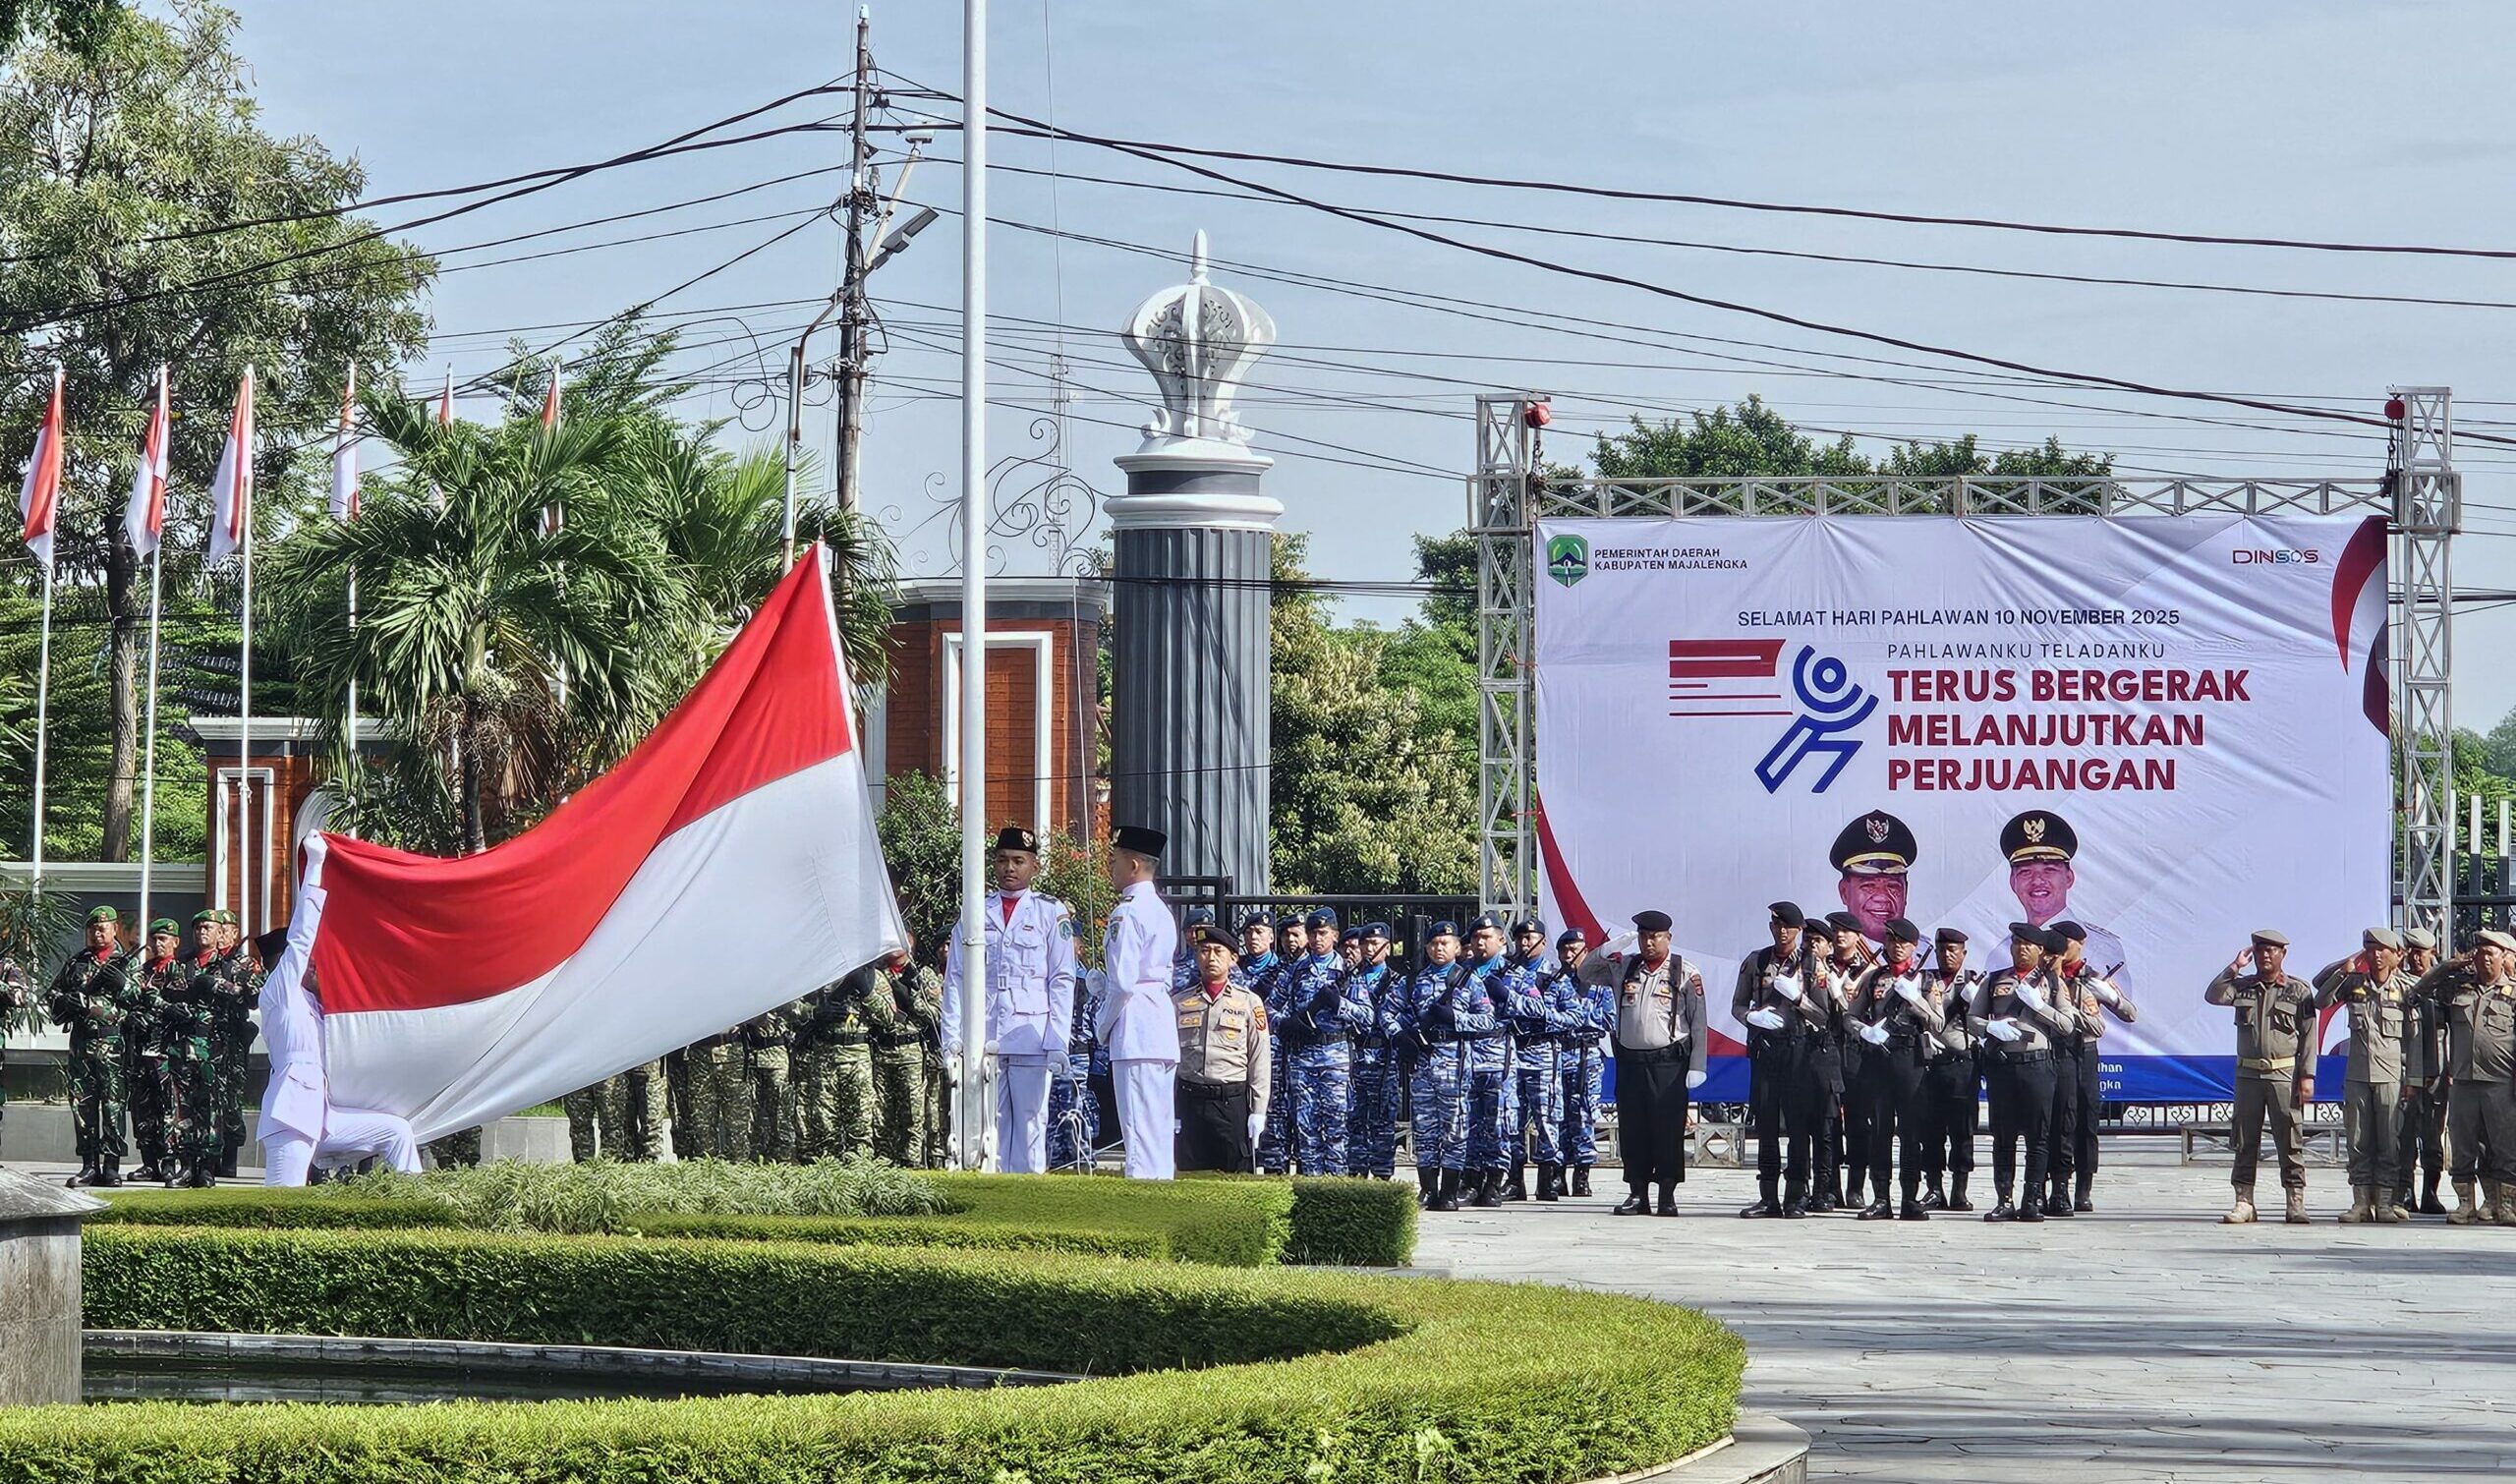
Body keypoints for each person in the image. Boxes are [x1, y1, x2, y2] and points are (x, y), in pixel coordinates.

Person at [942, 826, 1079, 1174]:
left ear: (1035, 866)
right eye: (1002, 860)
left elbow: (1062, 978)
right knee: (990, 1124)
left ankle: (1030, 1191)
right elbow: (956, 977)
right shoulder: (976, 909)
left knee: (1032, 1123)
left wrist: (1057, 1040)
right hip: (985, 1033)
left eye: (1019, 860)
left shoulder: (1050, 912)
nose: (1009, 868)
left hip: (1032, 1034)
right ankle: (997, 1192)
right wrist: (952, 1036)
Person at [2204, 930, 2317, 1225]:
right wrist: (2234, 968)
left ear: (2283, 954)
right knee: (2245, 1139)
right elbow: (2213, 995)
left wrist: (2307, 1075)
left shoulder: (2298, 990)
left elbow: (2309, 1036)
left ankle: (2295, 1201)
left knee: (2290, 1139)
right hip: (2249, 1074)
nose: (2265, 955)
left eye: (2272, 950)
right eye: (2260, 950)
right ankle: (2244, 1201)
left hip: (2283, 1074)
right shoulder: (2243, 987)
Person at [1970, 924, 2078, 1222]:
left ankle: (2032, 1199)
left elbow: (2067, 1025)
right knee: (2003, 1137)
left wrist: (2039, 1006)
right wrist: (1990, 1027)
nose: (2021, 949)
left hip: (2037, 1065)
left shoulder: (2052, 982)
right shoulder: (1995, 980)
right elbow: (1973, 1019)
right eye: (2016, 943)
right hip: (2003, 1065)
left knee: (2038, 1137)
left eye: (2028, 944)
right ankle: (2004, 1199)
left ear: (2040, 950)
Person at [1611, 909, 1707, 1217]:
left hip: (1668, 1063)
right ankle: (1637, 1193)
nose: (1648, 942)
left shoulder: (1683, 971)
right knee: (1633, 1129)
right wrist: (1605, 950)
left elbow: (1698, 1022)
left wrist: (1698, 1064)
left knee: (1667, 1129)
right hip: (1631, 1062)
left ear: (1668, 938)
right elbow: (1586, 972)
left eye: (1654, 937)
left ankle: (1667, 1193)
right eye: (1643, 936)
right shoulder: (1626, 967)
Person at [1096, 825, 1179, 1179]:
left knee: (1139, 1136)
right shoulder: (1160, 909)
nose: (1110, 868)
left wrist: (1102, 1026)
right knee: (1158, 1133)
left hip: (1135, 1029)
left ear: (1133, 865)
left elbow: (1122, 983)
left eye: (1114, 860)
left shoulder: (1127, 912)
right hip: (1158, 1022)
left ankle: (1145, 1201)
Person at [1846, 918, 1943, 1221]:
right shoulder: (1874, 978)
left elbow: (1938, 1023)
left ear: (1913, 947)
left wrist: (1916, 1000)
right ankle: (1881, 1198)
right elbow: (1850, 1017)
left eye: (1903, 942)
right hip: (1879, 1059)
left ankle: (1910, 1198)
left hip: (1911, 1059)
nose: (1896, 946)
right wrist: (1865, 1031)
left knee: (1911, 1132)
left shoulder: (1926, 981)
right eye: (1891, 940)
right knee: (1880, 1131)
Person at [2313, 927, 2412, 1224]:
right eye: (2370, 949)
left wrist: (2414, 1078)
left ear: (2396, 955)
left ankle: (2385, 1202)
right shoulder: (2353, 983)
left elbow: (2416, 1035)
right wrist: (2342, 971)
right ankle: (2360, 1203)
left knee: (2388, 1141)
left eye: (2382, 949)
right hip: (2357, 1074)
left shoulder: (2406, 988)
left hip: (2391, 1075)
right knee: (2357, 1141)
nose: (2376, 955)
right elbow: (2320, 998)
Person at [1734, 902, 1818, 1218]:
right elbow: (1738, 1005)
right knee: (1766, 1124)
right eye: (1777, 925)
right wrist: (1752, 1017)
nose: (1782, 932)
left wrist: (1799, 999)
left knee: (1798, 1125)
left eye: (1788, 927)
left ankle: (1796, 1195)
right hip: (1766, 1050)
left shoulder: (1812, 964)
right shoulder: (1756, 961)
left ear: (1799, 930)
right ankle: (1768, 1196)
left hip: (1799, 1050)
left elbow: (1825, 1015)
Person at [2428, 932, 2516, 1225]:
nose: (2485, 958)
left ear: (2504, 957)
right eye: (2480, 953)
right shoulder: (2458, 988)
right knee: (2463, 1144)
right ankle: (2466, 1204)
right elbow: (2418, 993)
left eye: (2491, 953)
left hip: (2501, 1081)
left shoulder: (2513, 992)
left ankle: (2504, 1205)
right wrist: (2446, 967)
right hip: (2463, 1081)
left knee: (2505, 1147)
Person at [2047, 921, 2135, 1214]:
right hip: (2054, 1051)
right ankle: (2057, 1184)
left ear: (2081, 943)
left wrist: (2112, 997)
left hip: (2083, 1052)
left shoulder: (2092, 977)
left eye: (2066, 941)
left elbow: (2130, 1014)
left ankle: (2084, 1187)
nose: (2060, 947)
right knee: (2058, 1120)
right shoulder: (2047, 974)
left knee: (2086, 1121)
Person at [1173, 921, 1272, 1171]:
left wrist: (1258, 1110)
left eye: (1218, 951)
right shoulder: (1180, 1002)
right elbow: (1170, 1060)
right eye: (1204, 951)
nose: (1211, 958)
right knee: (1190, 1177)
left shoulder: (1249, 1002)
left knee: (1235, 1178)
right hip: (1190, 1099)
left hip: (1230, 1101)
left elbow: (1260, 1059)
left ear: (1233, 958)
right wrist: (1170, 1108)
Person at [1996, 811, 2131, 992]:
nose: (2037, 880)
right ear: (2013, 882)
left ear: (2069, 878)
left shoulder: (2100, 947)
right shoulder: (2000, 954)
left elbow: (2118, 1008)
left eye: (2049, 870)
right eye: (2026, 872)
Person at [1281, 909, 1356, 1174]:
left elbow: (1367, 1015)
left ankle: (1336, 1186)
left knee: (1337, 1126)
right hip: (1302, 1057)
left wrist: (1339, 1005)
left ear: (1335, 935)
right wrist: (1287, 1024)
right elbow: (1269, 1008)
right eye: (1312, 933)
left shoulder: (1348, 971)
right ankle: (1311, 1185)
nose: (1316, 939)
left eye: (1322, 933)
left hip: (1335, 1056)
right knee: (1306, 1127)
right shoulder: (1295, 971)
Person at [1506, 917, 1575, 1200]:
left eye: (1529, 938)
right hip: (1512, 1051)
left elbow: (1575, 1017)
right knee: (1511, 1116)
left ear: (1543, 943)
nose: (1524, 943)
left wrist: (1543, 1016)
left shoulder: (1556, 977)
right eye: (1519, 938)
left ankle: (1547, 1179)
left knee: (1546, 1117)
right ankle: (1514, 1179)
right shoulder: (1507, 974)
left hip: (1543, 1052)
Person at [1458, 914, 1525, 1207]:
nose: (1480, 942)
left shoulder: (1514, 973)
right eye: (1476, 937)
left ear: (1500, 940)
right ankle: (1471, 1179)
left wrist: (1508, 996)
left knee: (1499, 1120)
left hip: (1498, 1054)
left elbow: (1538, 1008)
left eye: (1486, 937)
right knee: (1469, 1120)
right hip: (1466, 1054)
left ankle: (1495, 1180)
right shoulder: (1460, 973)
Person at [1404, 921, 1472, 1209]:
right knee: (1424, 1128)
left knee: (1454, 1128)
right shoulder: (1414, 981)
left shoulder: (1468, 980)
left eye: (1445, 943)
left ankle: (1449, 1192)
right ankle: (1428, 1189)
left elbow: (1488, 1020)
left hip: (1454, 1063)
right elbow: (1392, 1012)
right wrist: (1402, 1035)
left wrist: (1455, 1018)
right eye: (1433, 943)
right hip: (1423, 1062)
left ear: (1457, 947)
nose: (1438, 948)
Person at [1918, 928, 1982, 1212]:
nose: (1947, 955)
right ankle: (1934, 1188)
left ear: (1963, 953)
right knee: (1930, 1130)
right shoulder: (1924, 980)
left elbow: (1982, 1020)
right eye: (1942, 949)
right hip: (1930, 1065)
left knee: (1961, 1130)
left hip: (1961, 1065)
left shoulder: (1972, 982)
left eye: (1953, 950)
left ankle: (1959, 1189)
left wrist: (1971, 1002)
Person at [1817, 911, 1871, 1211]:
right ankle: (1832, 1186)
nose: (1840, 936)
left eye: (1846, 932)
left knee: (1858, 1122)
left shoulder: (1869, 971)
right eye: (1835, 931)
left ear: (1857, 937)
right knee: (1828, 1122)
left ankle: (1856, 1187)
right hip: (1826, 1048)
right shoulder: (1819, 966)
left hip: (1857, 1051)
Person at [1558, 928, 1617, 1199]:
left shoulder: (1599, 985)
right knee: (1556, 1115)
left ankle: (1582, 1174)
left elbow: (1609, 1020)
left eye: (1575, 949)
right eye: (1564, 950)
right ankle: (1557, 1172)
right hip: (1557, 1054)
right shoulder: (1554, 982)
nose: (1569, 954)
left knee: (1583, 1114)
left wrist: (1578, 1014)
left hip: (1586, 1055)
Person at [870, 938, 940, 1168]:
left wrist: (912, 1001)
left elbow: (938, 1013)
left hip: (911, 1052)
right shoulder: (875, 973)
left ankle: (912, 1163)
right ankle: (884, 1163)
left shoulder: (922, 974)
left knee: (913, 1113)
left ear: (911, 941)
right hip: (882, 1051)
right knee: (881, 1113)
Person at [1346, 923, 1406, 1181]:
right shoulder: (1350, 979)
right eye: (1365, 944)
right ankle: (1356, 1172)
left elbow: (1406, 1016)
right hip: (1354, 1057)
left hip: (1384, 1058)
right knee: (1354, 1118)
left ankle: (1382, 1174)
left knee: (1383, 1119)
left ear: (1387, 948)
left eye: (1375, 943)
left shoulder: (1398, 981)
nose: (1370, 949)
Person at [2397, 928, 2449, 1216]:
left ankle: (2431, 1192)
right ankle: (2405, 1191)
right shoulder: (2401, 982)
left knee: (2433, 1134)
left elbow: (2456, 1029)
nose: (2417, 958)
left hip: (2438, 1070)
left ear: (2433, 952)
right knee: (2405, 1133)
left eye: (2422, 953)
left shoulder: (2445, 986)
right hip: (2408, 1067)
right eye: (2412, 953)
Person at [206, 909, 260, 1177]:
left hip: (233, 1040)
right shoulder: (208, 962)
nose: (221, 934)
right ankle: (210, 1154)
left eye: (225, 929)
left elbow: (256, 998)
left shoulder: (246, 964)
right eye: (217, 929)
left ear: (234, 932)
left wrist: (238, 987)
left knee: (231, 1098)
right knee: (209, 1097)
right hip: (209, 1038)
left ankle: (229, 1156)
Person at [1253, 912, 1304, 1175]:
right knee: (1274, 1110)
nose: (1290, 940)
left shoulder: (1319, 968)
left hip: (1307, 1053)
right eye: (1286, 935)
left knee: (1306, 1116)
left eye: (1296, 934)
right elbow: (1263, 1007)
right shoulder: (1276, 970)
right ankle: (1276, 1168)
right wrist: (1282, 1022)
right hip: (1274, 1050)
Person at [1046, 958, 1102, 1172]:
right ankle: (1062, 1156)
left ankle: (1077, 1156)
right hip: (1065, 1051)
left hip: (1073, 1052)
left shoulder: (1084, 981)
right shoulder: (1077, 980)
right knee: (1062, 1107)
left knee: (1070, 1107)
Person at [1830, 809, 1917, 943]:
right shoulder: (1828, 950)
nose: (1881, 898)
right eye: (1869, 886)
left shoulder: (1929, 954)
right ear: (1844, 892)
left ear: (1905, 893)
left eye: (1892, 886)